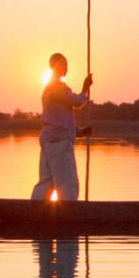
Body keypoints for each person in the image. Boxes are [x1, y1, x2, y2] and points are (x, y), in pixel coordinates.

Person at [31, 53, 93, 201]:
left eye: (66, 64)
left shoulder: (49, 88)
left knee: (47, 182)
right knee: (68, 182)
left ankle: (34, 208)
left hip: (48, 140)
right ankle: (68, 212)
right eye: (63, 64)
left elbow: (60, 120)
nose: (66, 67)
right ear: (54, 67)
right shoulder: (58, 87)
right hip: (59, 142)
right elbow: (76, 101)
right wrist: (85, 89)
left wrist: (80, 131)